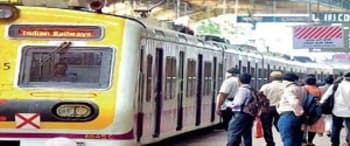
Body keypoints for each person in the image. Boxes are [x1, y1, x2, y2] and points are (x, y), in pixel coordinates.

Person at [225, 73, 255, 146]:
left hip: (240, 114)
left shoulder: (242, 90)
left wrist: (228, 103)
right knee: (247, 134)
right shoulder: (251, 89)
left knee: (233, 132)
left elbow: (237, 103)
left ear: (239, 80)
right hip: (248, 115)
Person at [277, 72, 306, 146]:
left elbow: (294, 102)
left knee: (287, 139)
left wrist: (299, 112)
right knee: (297, 139)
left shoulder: (289, 89)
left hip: (288, 115)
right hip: (298, 117)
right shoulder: (302, 89)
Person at [321, 72, 350, 146]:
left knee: (335, 128)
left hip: (337, 111)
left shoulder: (335, 86)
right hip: (349, 111)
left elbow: (325, 97)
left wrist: (321, 103)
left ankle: (335, 143)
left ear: (343, 77)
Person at [259, 71, 284, 146]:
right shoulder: (284, 86)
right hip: (281, 108)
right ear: (281, 78)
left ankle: (270, 143)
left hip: (268, 108)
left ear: (271, 78)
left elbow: (260, 97)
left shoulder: (265, 86)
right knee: (281, 125)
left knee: (266, 126)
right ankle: (285, 139)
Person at [302, 74, 325, 146]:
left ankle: (303, 141)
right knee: (313, 126)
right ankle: (310, 141)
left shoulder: (304, 88)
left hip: (305, 109)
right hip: (315, 110)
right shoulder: (319, 89)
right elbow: (321, 100)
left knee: (303, 126)